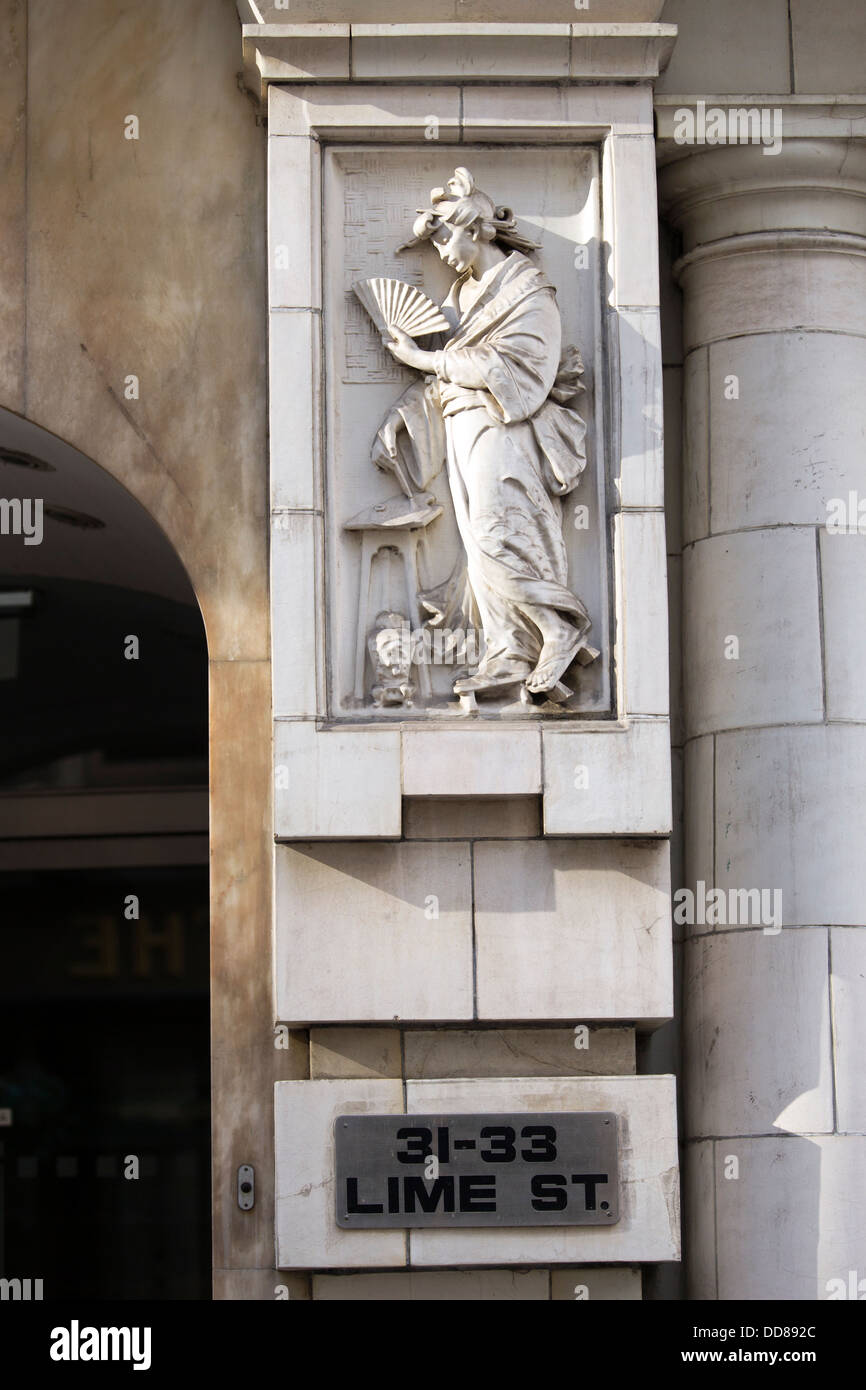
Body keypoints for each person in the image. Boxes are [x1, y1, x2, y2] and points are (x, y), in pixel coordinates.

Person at [373, 167, 596, 698]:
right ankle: (510, 649)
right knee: (477, 543)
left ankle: (558, 625)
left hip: (504, 426)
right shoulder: (459, 298)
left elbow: (522, 369)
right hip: (460, 423)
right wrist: (404, 411)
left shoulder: (528, 290)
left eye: (445, 237)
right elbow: (446, 366)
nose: (442, 250)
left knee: (500, 531)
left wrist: (426, 359)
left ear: (476, 230)